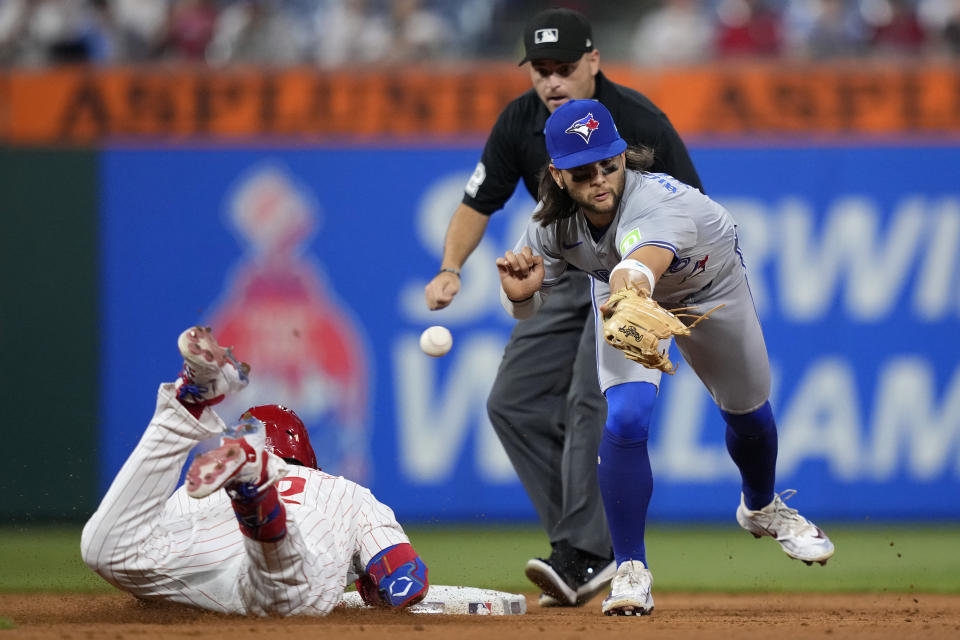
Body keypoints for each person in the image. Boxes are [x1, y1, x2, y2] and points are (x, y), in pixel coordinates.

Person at [496, 99, 835, 616]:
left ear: (623, 157)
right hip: (623, 299)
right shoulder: (549, 226)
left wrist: (629, 285)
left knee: (751, 416)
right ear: (557, 176)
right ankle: (631, 570)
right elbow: (527, 308)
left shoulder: (657, 202)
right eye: (583, 173)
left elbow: (638, 267)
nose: (600, 179)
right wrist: (523, 294)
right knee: (628, 416)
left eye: (609, 163)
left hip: (709, 291)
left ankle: (761, 506)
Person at [423, 7, 703, 608]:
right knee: (511, 403)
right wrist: (451, 267)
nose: (552, 81)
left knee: (587, 396)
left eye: (565, 68)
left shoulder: (635, 119)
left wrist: (665, 283)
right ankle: (584, 549)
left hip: (631, 273)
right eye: (541, 70)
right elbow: (480, 200)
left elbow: (694, 207)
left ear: (594, 62)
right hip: (564, 264)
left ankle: (584, 551)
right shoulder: (520, 120)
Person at [81, 326, 428, 616]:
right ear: (306, 455)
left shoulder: (193, 489)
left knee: (109, 552)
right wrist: (374, 589)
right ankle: (254, 490)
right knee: (281, 595)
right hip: (296, 550)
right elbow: (407, 580)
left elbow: (150, 571)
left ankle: (186, 408)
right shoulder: (347, 492)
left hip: (205, 548)